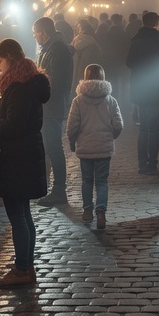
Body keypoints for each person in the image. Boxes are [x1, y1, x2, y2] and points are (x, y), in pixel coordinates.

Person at [0, 38, 49, 289]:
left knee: (18, 215)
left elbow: (13, 126)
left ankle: (22, 268)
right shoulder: (27, 84)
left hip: (18, 159)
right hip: (24, 156)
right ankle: (25, 265)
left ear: (11, 59)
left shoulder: (19, 88)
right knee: (23, 214)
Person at [66, 63, 123, 230]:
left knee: (87, 180)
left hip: (85, 148)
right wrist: (111, 137)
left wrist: (72, 140)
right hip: (104, 148)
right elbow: (118, 125)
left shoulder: (78, 101)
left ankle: (87, 211)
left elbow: (72, 126)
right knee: (102, 181)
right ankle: (101, 213)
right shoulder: (111, 101)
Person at [32, 16, 73, 205]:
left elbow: (57, 82)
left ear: (44, 32)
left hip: (53, 107)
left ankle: (58, 190)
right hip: (48, 106)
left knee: (54, 148)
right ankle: (50, 187)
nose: (35, 37)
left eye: (35, 34)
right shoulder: (50, 48)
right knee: (50, 147)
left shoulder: (58, 49)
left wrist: (39, 92)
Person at [126, 11, 159, 174]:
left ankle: (142, 164)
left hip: (140, 89)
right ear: (157, 23)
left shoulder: (136, 40)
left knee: (143, 128)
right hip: (156, 89)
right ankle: (152, 164)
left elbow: (129, 62)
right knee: (154, 129)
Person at [70, 19, 103, 90]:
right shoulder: (93, 43)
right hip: (90, 74)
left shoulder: (74, 43)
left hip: (75, 76)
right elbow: (99, 58)